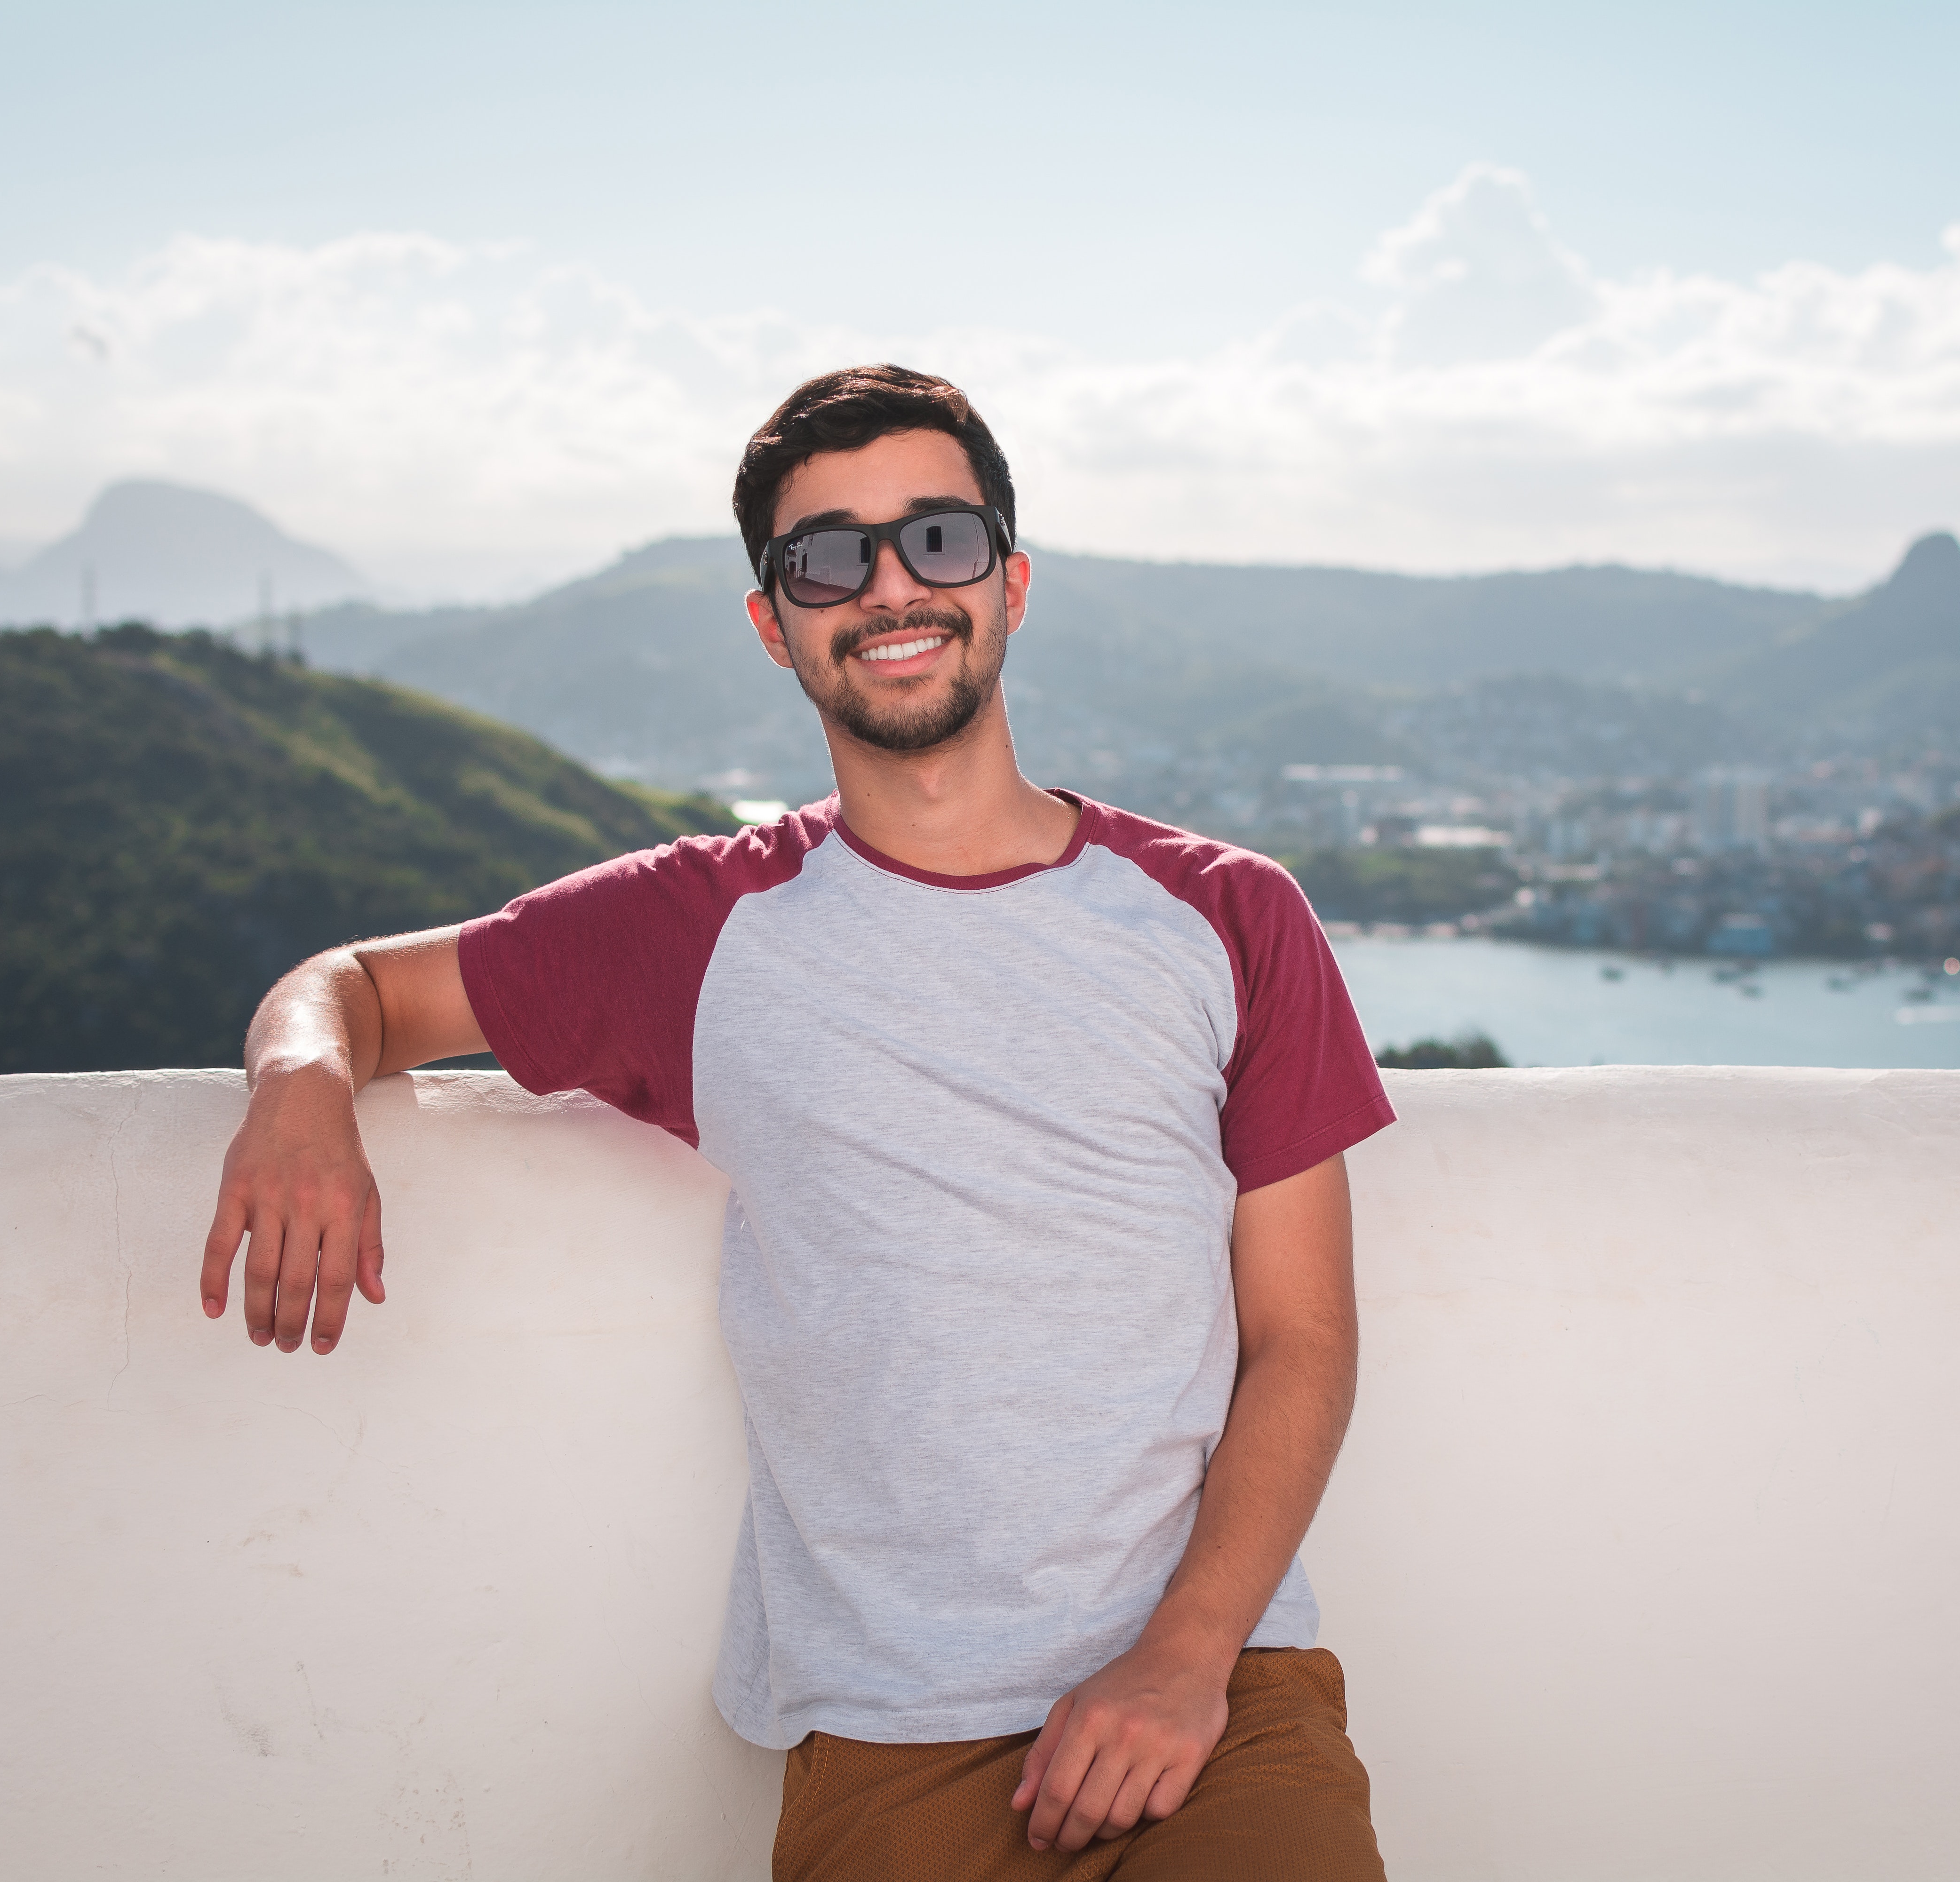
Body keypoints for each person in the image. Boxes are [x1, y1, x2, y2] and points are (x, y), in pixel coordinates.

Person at [199, 364, 1397, 1879]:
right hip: (888, 1743)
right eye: (828, 556)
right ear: (777, 624)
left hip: (1216, 1703)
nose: (891, 586)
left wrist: (1183, 1660)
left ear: (1011, 582)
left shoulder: (1228, 916)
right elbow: (356, 988)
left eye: (940, 541)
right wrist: (301, 1090)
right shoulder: (706, 926)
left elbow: (1305, 1335)